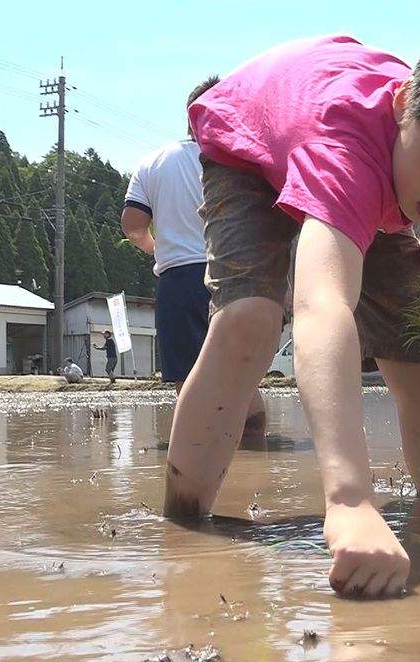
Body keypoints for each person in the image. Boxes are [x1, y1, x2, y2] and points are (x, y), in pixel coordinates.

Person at [167, 16, 420, 599]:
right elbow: (323, 303)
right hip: (252, 136)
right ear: (406, 103)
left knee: (418, 357)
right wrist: (350, 499)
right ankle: (183, 525)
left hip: (379, 172)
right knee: (251, 320)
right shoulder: (346, 147)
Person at [121, 76, 268, 448]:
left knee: (188, 375)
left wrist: (159, 247)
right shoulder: (244, 159)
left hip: (180, 278)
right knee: (243, 374)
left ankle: (196, 458)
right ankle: (256, 451)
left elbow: (133, 225)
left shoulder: (155, 162)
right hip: (238, 275)